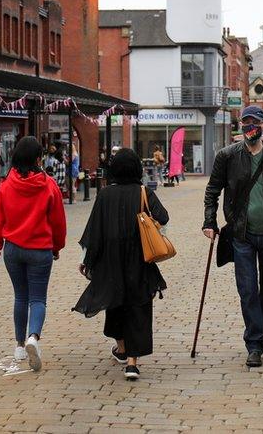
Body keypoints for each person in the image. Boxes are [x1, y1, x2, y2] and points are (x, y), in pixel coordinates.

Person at [203, 105, 263, 368]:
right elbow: (212, 191)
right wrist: (209, 221)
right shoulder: (227, 156)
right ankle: (254, 343)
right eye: (245, 123)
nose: (249, 128)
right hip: (241, 235)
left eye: (254, 123)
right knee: (247, 290)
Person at [74, 148, 168, 381]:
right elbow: (163, 217)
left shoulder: (105, 195)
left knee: (115, 303)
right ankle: (133, 363)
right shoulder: (144, 192)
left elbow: (94, 231)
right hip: (140, 261)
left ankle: (122, 348)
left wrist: (86, 261)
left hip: (111, 262)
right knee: (138, 308)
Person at [0, 136, 66, 372]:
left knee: (20, 297)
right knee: (38, 298)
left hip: (13, 249)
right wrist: (57, 246)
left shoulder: (6, 186)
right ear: (38, 158)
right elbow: (58, 221)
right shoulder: (49, 185)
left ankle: (19, 346)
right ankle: (33, 337)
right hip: (40, 249)